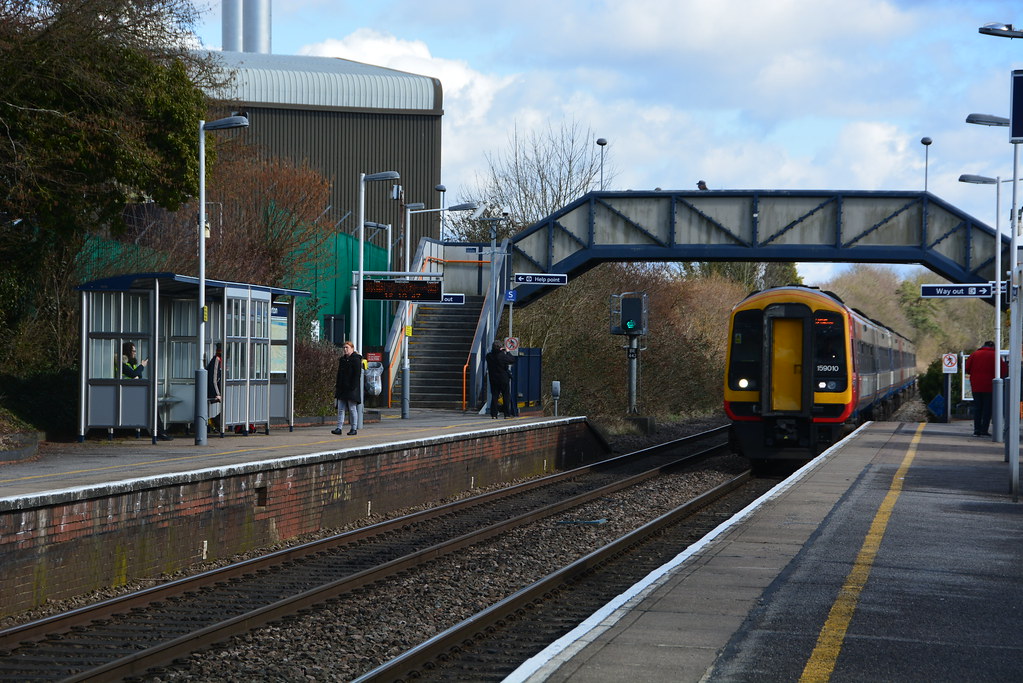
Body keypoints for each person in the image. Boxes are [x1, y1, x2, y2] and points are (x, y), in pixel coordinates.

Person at [965, 341, 1007, 437]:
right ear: (992, 346)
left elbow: (967, 368)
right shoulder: (995, 355)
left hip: (976, 385)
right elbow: (1003, 370)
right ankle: (984, 430)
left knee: (977, 408)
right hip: (990, 386)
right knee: (987, 409)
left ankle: (976, 430)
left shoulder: (974, 354)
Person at [333, 340, 363, 435]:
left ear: (352, 349)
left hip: (351, 388)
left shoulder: (356, 360)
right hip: (342, 388)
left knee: (352, 408)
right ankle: (339, 428)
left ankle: (354, 428)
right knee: (340, 408)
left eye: (347, 347)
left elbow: (357, 375)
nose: (345, 349)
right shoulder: (342, 360)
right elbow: (339, 374)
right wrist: (338, 386)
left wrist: (353, 386)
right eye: (344, 348)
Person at [485, 340, 516, 419]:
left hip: (493, 378)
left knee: (495, 396)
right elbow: (512, 360)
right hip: (503, 378)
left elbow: (492, 356)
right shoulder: (502, 356)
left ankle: (494, 414)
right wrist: (508, 352)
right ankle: (506, 414)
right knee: (506, 395)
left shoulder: (489, 356)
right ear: (500, 348)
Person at [207, 343, 224, 434]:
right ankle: (215, 422)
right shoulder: (217, 360)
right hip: (216, 392)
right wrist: (217, 394)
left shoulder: (221, 361)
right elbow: (213, 379)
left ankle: (216, 422)